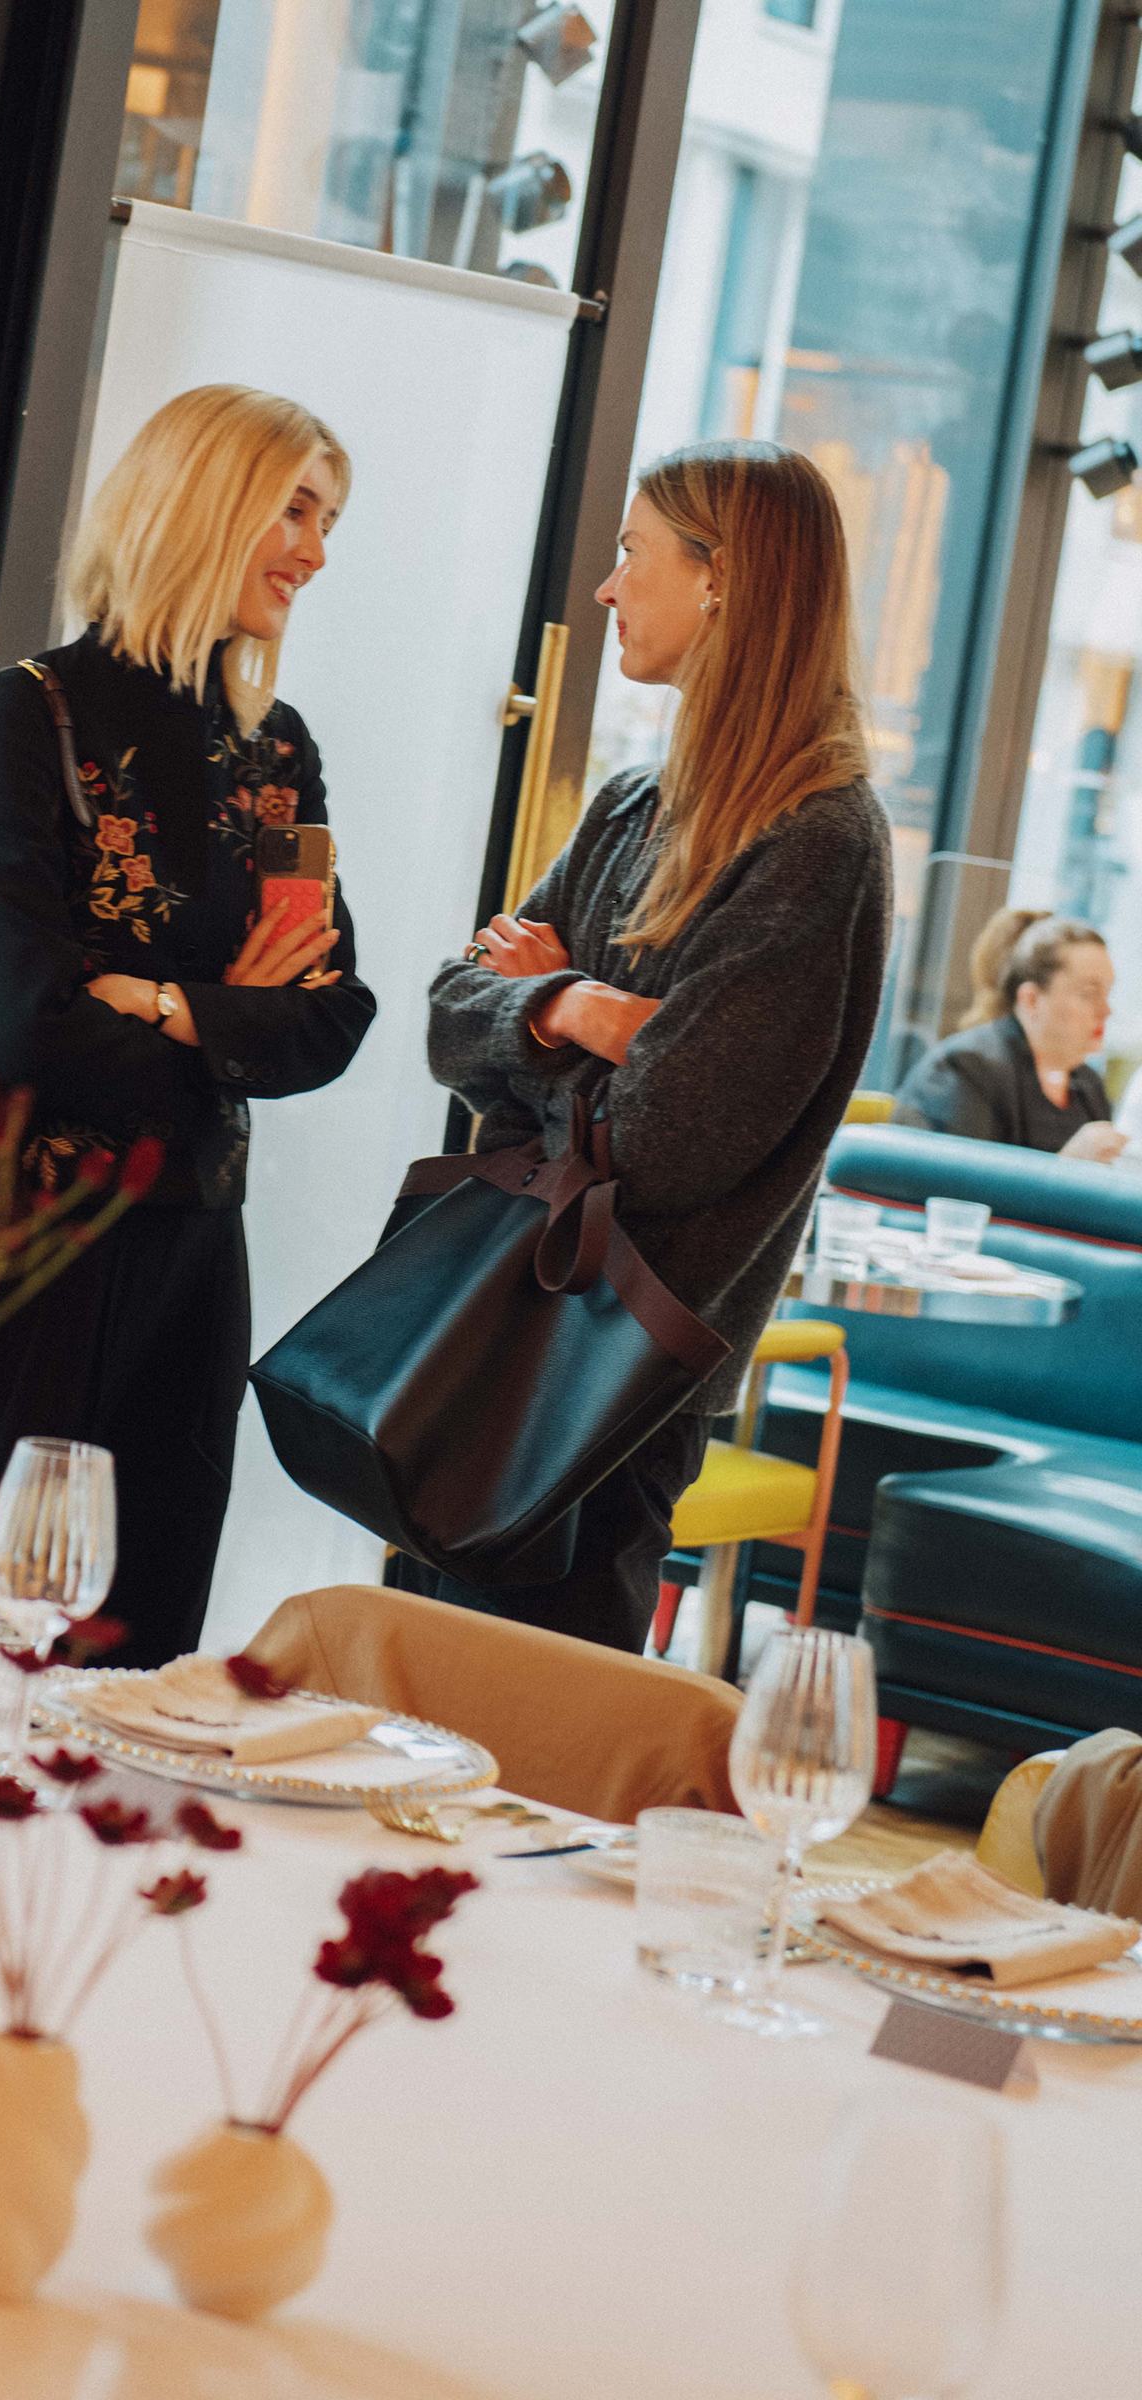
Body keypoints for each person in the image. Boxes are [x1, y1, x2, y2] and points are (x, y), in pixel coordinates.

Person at [0, 385, 376, 1666]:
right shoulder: (25, 714)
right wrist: (231, 1020)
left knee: (135, 1647)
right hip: (21, 1250)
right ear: (203, 503)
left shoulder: (280, 757)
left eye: (327, 521)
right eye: (295, 509)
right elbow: (29, 1025)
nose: (316, 553)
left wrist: (156, 1000)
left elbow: (330, 1018)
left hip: (191, 1259)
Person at [425, 440, 891, 1653]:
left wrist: (535, 1024)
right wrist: (578, 1013)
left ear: (722, 579)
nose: (605, 587)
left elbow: (669, 1138)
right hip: (500, 1316)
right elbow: (444, 1015)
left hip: (612, 1369)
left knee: (528, 1760)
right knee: (410, 1711)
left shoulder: (816, 840)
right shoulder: (636, 801)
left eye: (631, 552)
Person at [893, 907, 1124, 1160]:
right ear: (1032, 999)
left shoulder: (1088, 1084)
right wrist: (1065, 1166)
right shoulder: (965, 1068)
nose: (1106, 1010)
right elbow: (959, 1189)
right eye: (1088, 994)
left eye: (1108, 993)